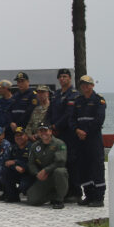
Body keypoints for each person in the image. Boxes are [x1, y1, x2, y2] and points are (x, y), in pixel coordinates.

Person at [72, 75, 106, 207]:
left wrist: (86, 132)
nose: (85, 86)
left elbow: (99, 119)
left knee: (96, 167)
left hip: (93, 139)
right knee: (83, 166)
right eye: (82, 84)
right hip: (80, 140)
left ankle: (99, 197)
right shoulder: (78, 101)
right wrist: (77, 130)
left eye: (87, 84)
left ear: (92, 85)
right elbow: (72, 119)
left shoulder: (99, 100)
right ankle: (89, 194)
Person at [49, 68, 79, 200]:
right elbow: (50, 112)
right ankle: (63, 191)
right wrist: (49, 126)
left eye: (65, 76)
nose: (62, 79)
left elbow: (69, 114)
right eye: (60, 77)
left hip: (68, 134)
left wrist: (56, 126)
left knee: (71, 162)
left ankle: (75, 192)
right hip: (56, 134)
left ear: (70, 78)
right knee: (59, 161)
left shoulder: (74, 94)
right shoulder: (56, 94)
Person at [27, 124, 68, 208]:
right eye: (40, 131)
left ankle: (59, 199)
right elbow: (31, 163)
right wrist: (37, 174)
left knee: (60, 171)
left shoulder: (59, 144)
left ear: (50, 131)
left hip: (55, 174)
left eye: (45, 130)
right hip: (44, 177)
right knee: (32, 200)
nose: (43, 133)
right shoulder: (35, 146)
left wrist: (46, 170)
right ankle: (53, 195)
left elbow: (60, 162)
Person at [0, 127, 33, 203]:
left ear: (26, 136)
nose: (18, 137)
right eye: (16, 136)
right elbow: (7, 162)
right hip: (17, 172)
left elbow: (32, 164)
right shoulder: (13, 148)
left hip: (29, 174)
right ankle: (12, 196)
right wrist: (15, 166)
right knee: (5, 171)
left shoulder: (32, 148)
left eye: (21, 135)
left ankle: (27, 192)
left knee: (23, 186)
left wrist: (16, 162)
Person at [8, 72, 37, 141]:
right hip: (14, 129)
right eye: (18, 82)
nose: (20, 84)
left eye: (22, 81)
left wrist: (17, 124)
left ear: (28, 82)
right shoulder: (15, 96)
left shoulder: (33, 95)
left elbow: (29, 112)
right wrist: (11, 122)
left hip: (26, 129)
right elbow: (8, 111)